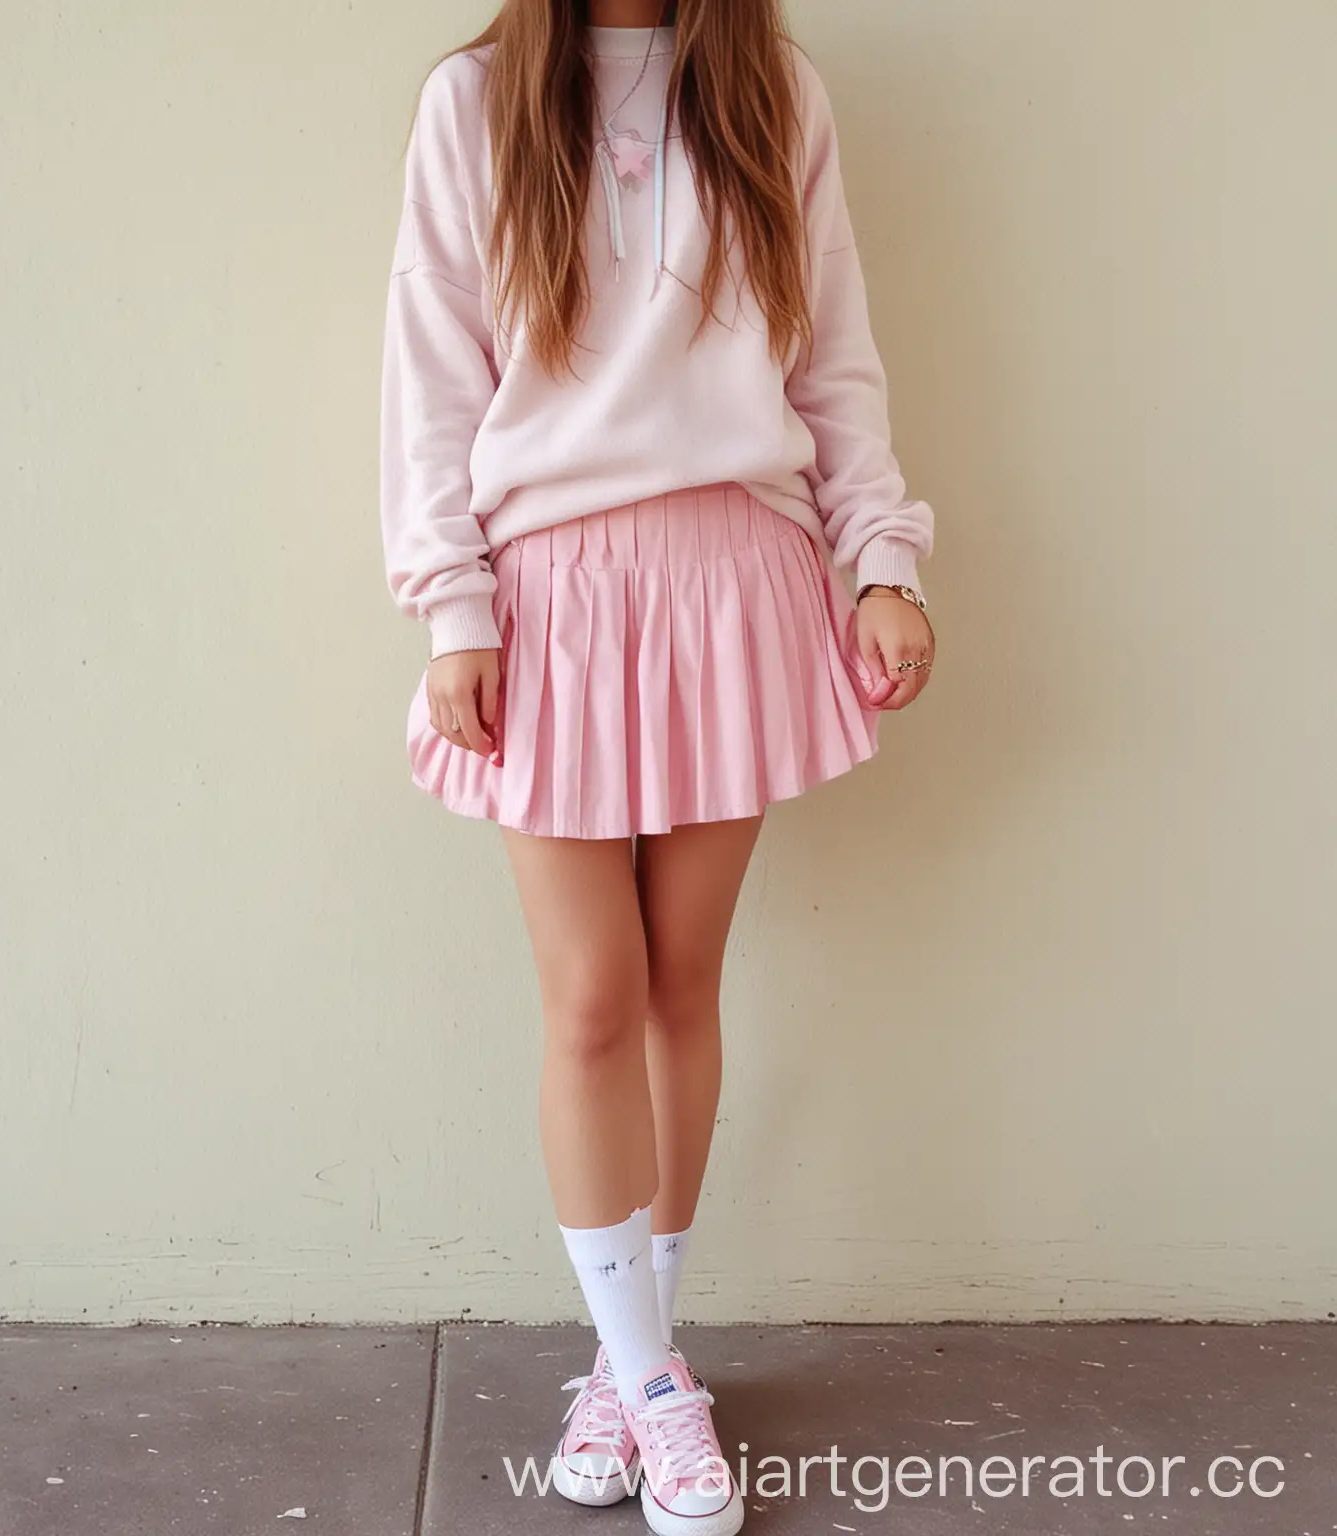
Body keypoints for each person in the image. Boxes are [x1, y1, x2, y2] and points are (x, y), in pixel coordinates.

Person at [378, 1, 935, 1530]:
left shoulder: (770, 93)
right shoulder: (478, 103)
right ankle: (643, 1369)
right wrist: (453, 605)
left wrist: (881, 561)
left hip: (734, 583)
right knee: (591, 994)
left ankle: (640, 1371)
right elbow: (429, 374)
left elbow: (836, 359)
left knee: (684, 978)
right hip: (545, 596)